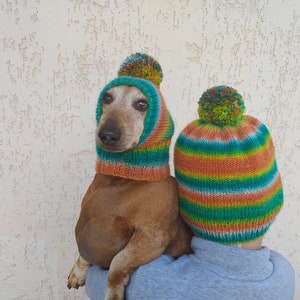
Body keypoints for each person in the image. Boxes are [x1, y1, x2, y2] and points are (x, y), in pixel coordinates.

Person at [85, 86, 295, 300]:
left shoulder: (155, 282)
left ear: (183, 205)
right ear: (273, 203)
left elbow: (94, 273)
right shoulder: (283, 274)